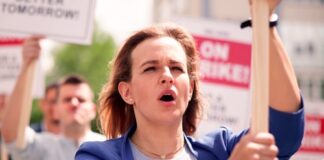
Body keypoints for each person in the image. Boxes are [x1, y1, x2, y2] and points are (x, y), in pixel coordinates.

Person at [76, 1, 304, 160]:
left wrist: (263, 20)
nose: (167, 76)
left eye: (176, 68)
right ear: (127, 92)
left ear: (191, 88)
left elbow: (284, 130)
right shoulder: (96, 155)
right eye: (150, 69)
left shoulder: (221, 149)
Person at [1, 36, 105, 160]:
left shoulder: (111, 147)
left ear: (93, 110)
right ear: (56, 110)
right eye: (67, 99)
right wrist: (26, 65)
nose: (74, 103)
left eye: (81, 99)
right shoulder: (43, 146)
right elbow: (12, 136)